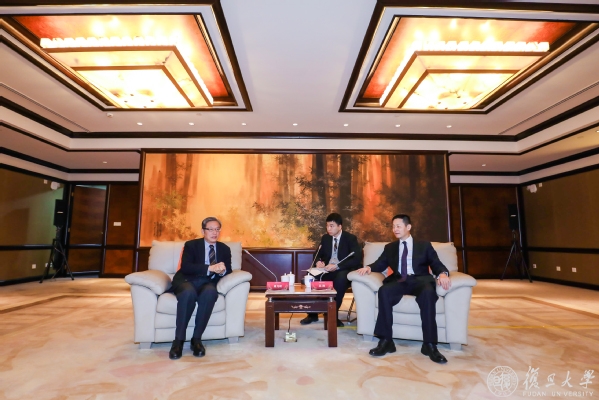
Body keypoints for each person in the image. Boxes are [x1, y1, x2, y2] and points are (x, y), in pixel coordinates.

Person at [356, 214, 451, 363]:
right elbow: (380, 263)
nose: (395, 229)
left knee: (428, 293)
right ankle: (386, 341)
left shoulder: (424, 245)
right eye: (393, 226)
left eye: (398, 226)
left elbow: (435, 262)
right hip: (399, 280)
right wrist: (368, 267)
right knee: (384, 291)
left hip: (420, 280)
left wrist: (443, 274)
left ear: (408, 227)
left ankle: (430, 345)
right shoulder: (390, 247)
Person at [168, 217, 232, 360]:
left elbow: (229, 270)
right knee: (188, 293)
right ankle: (178, 341)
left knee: (210, 292)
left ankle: (196, 339)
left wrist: (222, 271)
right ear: (203, 231)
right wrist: (210, 268)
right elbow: (186, 267)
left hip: (207, 282)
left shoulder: (224, 249)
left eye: (217, 229)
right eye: (211, 229)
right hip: (187, 280)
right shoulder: (191, 245)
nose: (214, 233)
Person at [300, 213, 362, 327]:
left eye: (331, 226)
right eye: (327, 226)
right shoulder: (326, 238)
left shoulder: (350, 238)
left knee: (340, 279)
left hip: (343, 270)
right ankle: (312, 314)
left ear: (340, 226)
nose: (328, 229)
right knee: (309, 277)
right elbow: (317, 254)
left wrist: (337, 266)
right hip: (327, 269)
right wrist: (319, 262)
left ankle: (332, 315)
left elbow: (356, 258)